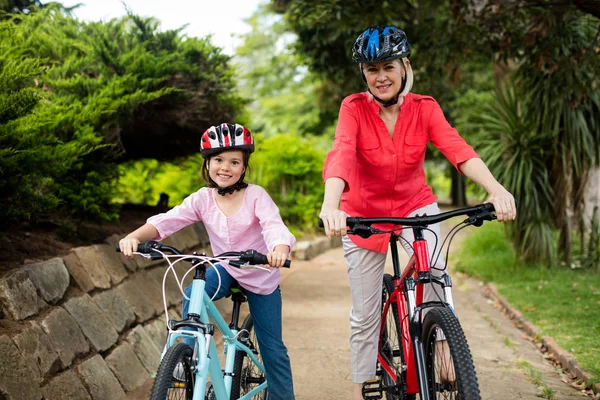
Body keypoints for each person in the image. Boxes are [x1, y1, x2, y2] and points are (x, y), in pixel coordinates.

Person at [318, 25, 517, 399]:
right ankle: (364, 380)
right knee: (364, 314)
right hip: (361, 215)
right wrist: (331, 206)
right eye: (372, 69)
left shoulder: (425, 108)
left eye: (388, 67)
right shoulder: (353, 108)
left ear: (404, 66)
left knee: (435, 279)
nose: (380, 77)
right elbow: (342, 152)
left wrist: (496, 189)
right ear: (363, 73)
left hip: (416, 206)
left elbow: (457, 148)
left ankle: (443, 350)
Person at [119, 123, 296, 400]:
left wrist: (279, 249)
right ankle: (187, 357)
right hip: (225, 269)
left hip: (260, 273)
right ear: (208, 163)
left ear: (244, 166)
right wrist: (134, 237)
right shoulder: (203, 198)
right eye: (219, 160)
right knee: (194, 292)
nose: (225, 167)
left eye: (234, 161)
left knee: (273, 349)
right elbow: (167, 221)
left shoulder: (255, 195)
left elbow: (273, 226)